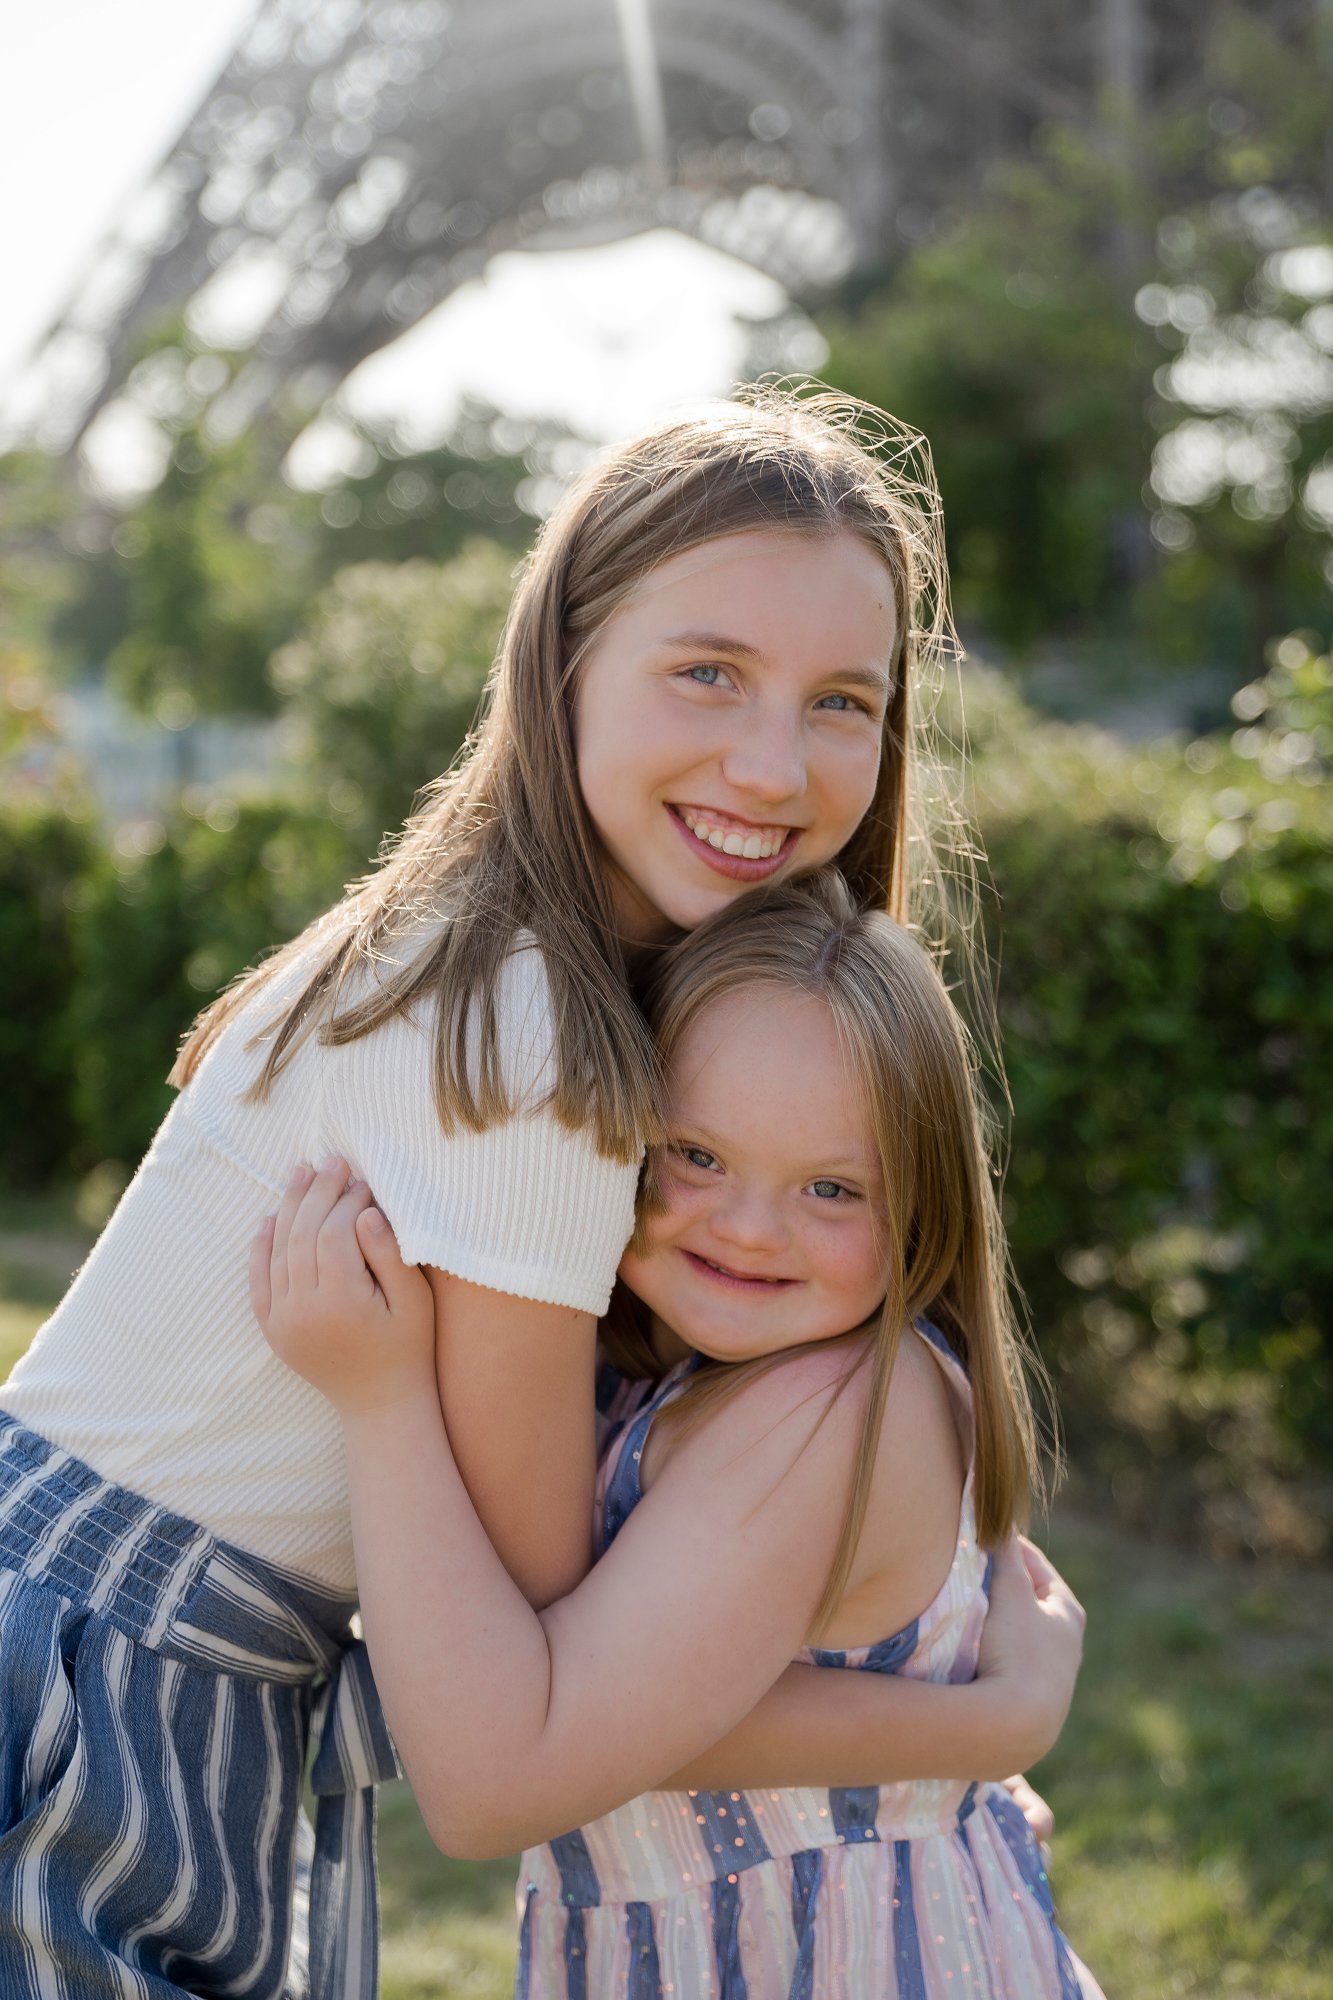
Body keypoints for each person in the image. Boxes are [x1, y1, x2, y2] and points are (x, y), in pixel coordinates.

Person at [1, 387, 1069, 1998]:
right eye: (707, 669)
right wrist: (982, 1721)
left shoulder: (509, 955)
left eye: (845, 699)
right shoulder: (523, 1037)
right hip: (116, 1693)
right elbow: (540, 1682)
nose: (774, 763)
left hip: (138, 1663)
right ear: (563, 654)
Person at [254, 873, 1098, 1998]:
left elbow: (499, 1775)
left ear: (923, 1209)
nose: (749, 1228)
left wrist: (383, 1399)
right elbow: (644, 1691)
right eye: (697, 1154)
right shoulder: (683, 1370)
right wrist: (984, 1727)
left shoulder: (836, 1412)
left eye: (833, 1187)